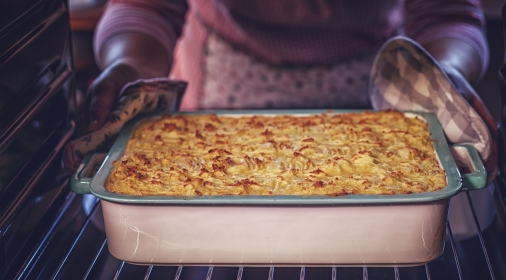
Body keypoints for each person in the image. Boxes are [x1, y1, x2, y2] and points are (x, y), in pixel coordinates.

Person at [78, 0, 490, 136]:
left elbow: (446, 12)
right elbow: (145, 7)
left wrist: (444, 74)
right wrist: (127, 66)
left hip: (376, 88)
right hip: (225, 86)